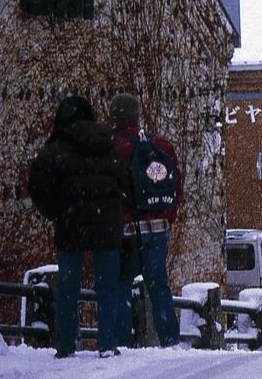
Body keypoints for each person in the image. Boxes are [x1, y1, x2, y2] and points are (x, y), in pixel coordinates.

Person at [27, 95, 126, 358]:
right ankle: (107, 343)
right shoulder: (107, 143)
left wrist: (55, 212)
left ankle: (66, 344)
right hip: (106, 226)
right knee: (107, 286)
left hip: (70, 223)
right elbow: (123, 179)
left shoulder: (55, 148)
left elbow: (37, 185)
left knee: (68, 287)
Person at [109, 93, 182, 348]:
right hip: (158, 227)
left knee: (121, 284)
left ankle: (123, 342)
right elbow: (176, 185)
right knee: (158, 284)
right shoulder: (160, 144)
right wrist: (167, 217)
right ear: (137, 115)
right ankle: (170, 339)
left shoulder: (113, 146)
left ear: (114, 116)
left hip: (127, 229)